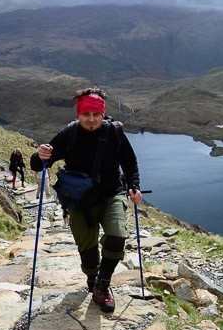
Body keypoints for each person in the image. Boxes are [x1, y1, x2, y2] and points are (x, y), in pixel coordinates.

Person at [30, 86, 142, 312]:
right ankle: (92, 277)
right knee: (87, 249)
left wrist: (134, 187)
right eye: (86, 115)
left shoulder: (114, 132)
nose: (91, 120)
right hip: (80, 201)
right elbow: (40, 163)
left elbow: (130, 162)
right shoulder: (68, 134)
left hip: (112, 194)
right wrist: (38, 155)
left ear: (103, 114)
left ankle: (103, 284)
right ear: (78, 114)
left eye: (96, 115)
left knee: (117, 235)